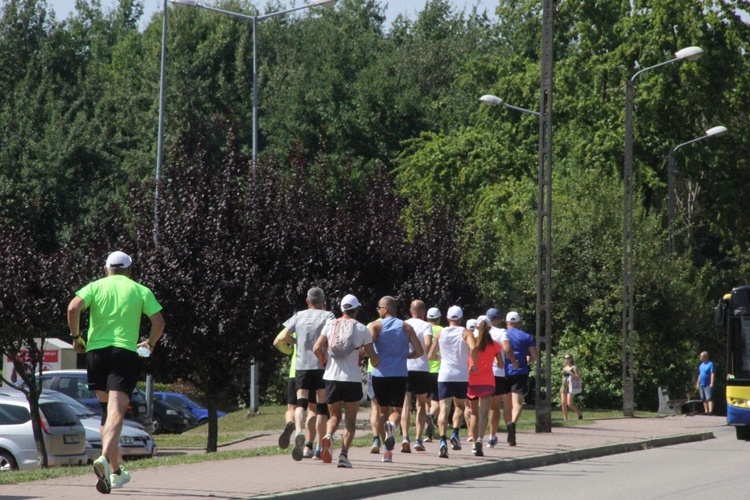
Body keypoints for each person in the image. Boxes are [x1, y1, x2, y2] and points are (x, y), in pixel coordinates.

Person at [67, 251, 165, 493]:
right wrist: (150, 345)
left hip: (96, 354)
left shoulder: (94, 286)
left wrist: (76, 337)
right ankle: (102, 459)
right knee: (116, 411)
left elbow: (73, 308)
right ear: (130, 270)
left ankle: (115, 471)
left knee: (105, 412)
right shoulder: (140, 290)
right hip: (124, 354)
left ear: (105, 269)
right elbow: (159, 322)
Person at [313, 294, 379, 468]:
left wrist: (323, 360)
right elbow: (373, 357)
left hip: (331, 377)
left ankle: (328, 435)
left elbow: (316, 347)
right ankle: (343, 456)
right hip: (352, 379)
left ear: (341, 309)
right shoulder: (362, 329)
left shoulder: (330, 325)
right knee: (350, 420)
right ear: (357, 309)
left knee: (334, 415)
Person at [278, 287, 336, 461]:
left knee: (300, 404)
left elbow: (284, 336)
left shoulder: (299, 315)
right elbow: (332, 336)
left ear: (307, 301)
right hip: (321, 365)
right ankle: (318, 446)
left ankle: (299, 432)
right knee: (320, 408)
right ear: (323, 301)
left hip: (302, 366)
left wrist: (297, 342)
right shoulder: (328, 316)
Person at [369, 296, 424, 463]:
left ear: (385, 309)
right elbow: (420, 351)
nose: (377, 310)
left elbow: (367, 344)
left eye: (379, 307)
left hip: (379, 375)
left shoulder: (376, 325)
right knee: (396, 413)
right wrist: (406, 356)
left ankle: (377, 441)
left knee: (382, 411)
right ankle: (389, 446)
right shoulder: (406, 327)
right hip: (399, 375)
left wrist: (374, 358)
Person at [428, 305, 476, 459]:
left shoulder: (441, 333)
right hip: (461, 375)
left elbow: (430, 354)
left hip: (444, 375)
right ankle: (455, 432)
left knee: (443, 409)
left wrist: (441, 358)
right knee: (460, 406)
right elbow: (473, 348)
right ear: (461, 319)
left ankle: (442, 440)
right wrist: (473, 364)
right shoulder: (465, 333)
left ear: (448, 319)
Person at [466, 316, 505, 456]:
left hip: (472, 380)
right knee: (484, 413)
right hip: (488, 381)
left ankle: (474, 442)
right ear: (489, 328)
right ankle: (480, 440)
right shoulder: (495, 345)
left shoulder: (471, 342)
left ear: (476, 327)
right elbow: (500, 364)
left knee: (474, 413)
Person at [273, 330, 317, 449]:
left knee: (292, 407)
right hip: (315, 370)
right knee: (312, 409)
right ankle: (308, 446)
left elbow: (277, 341)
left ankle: (290, 423)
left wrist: (291, 351)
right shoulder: (321, 321)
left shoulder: (297, 323)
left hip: (295, 370)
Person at [401, 300, 433, 453]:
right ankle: (418, 439)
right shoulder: (426, 325)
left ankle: (405, 437)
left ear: (410, 310)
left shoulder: (403, 323)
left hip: (405, 367)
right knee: (421, 404)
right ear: (424, 311)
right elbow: (427, 344)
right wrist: (424, 353)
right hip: (421, 368)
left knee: (406, 404)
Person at [503, 311, 537, 447]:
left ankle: (508, 428)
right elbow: (534, 356)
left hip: (504, 372)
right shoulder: (526, 336)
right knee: (517, 403)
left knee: (506, 405)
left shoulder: (502, 334)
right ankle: (513, 423)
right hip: (520, 371)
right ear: (519, 322)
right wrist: (528, 361)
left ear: (506, 322)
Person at [485, 307, 517, 448]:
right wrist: (514, 361)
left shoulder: (477, 332)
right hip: (497, 372)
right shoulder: (501, 332)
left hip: (479, 373)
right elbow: (506, 347)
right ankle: (492, 436)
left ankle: (476, 438)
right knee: (494, 406)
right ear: (498, 320)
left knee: (479, 407)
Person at [424, 307, 443, 443]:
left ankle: (427, 432)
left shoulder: (424, 328)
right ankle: (431, 416)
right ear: (439, 318)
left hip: (424, 370)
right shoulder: (442, 330)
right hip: (438, 370)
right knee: (437, 402)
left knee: (426, 400)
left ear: (427, 318)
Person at [560, 353, 583, 421]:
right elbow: (563, 378)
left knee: (569, 403)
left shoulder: (573, 367)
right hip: (564, 385)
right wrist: (561, 387)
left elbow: (578, 377)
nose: (566, 360)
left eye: (568, 358)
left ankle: (579, 413)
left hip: (571, 386)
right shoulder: (564, 368)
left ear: (571, 359)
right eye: (565, 358)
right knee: (563, 403)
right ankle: (565, 419)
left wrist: (571, 373)